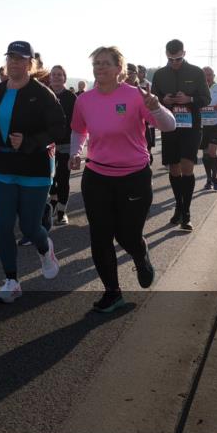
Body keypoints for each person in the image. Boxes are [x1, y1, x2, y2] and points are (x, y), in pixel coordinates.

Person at [69, 46, 177, 313]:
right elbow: (79, 131)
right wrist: (75, 153)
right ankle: (112, 292)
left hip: (134, 177)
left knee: (127, 235)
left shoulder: (137, 96)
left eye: (106, 63)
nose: (100, 68)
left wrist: (158, 108)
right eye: (96, 63)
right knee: (100, 235)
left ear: (120, 69)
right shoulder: (84, 100)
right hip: (97, 176)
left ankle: (140, 256)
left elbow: (169, 125)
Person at [0, 42, 65, 302]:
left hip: (35, 168)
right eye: (11, 58)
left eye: (20, 59)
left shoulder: (41, 94)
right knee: (3, 225)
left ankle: (45, 247)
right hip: (3, 168)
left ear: (30, 64)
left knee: (30, 226)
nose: (14, 63)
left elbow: (60, 129)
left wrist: (29, 142)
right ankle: (11, 281)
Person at [151, 39, 211, 231]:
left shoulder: (196, 72)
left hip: (191, 126)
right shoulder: (160, 74)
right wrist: (163, 99)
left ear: (184, 53)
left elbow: (206, 98)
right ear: (166, 55)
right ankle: (178, 206)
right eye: (171, 59)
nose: (174, 62)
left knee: (187, 167)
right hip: (170, 126)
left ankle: (186, 213)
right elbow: (153, 99)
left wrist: (190, 99)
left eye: (177, 59)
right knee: (174, 169)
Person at [48, 65, 77, 225]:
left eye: (60, 75)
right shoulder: (45, 94)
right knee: (50, 179)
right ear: (50, 77)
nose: (57, 77)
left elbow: (77, 122)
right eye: (54, 74)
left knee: (63, 178)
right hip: (48, 145)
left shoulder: (71, 98)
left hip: (66, 144)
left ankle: (61, 212)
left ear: (64, 78)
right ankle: (52, 203)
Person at [137, 64, 156, 162]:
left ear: (144, 73)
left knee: (149, 140)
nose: (139, 74)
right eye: (137, 72)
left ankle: (148, 154)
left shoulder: (149, 85)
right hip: (135, 115)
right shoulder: (131, 85)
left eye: (141, 72)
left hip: (147, 116)